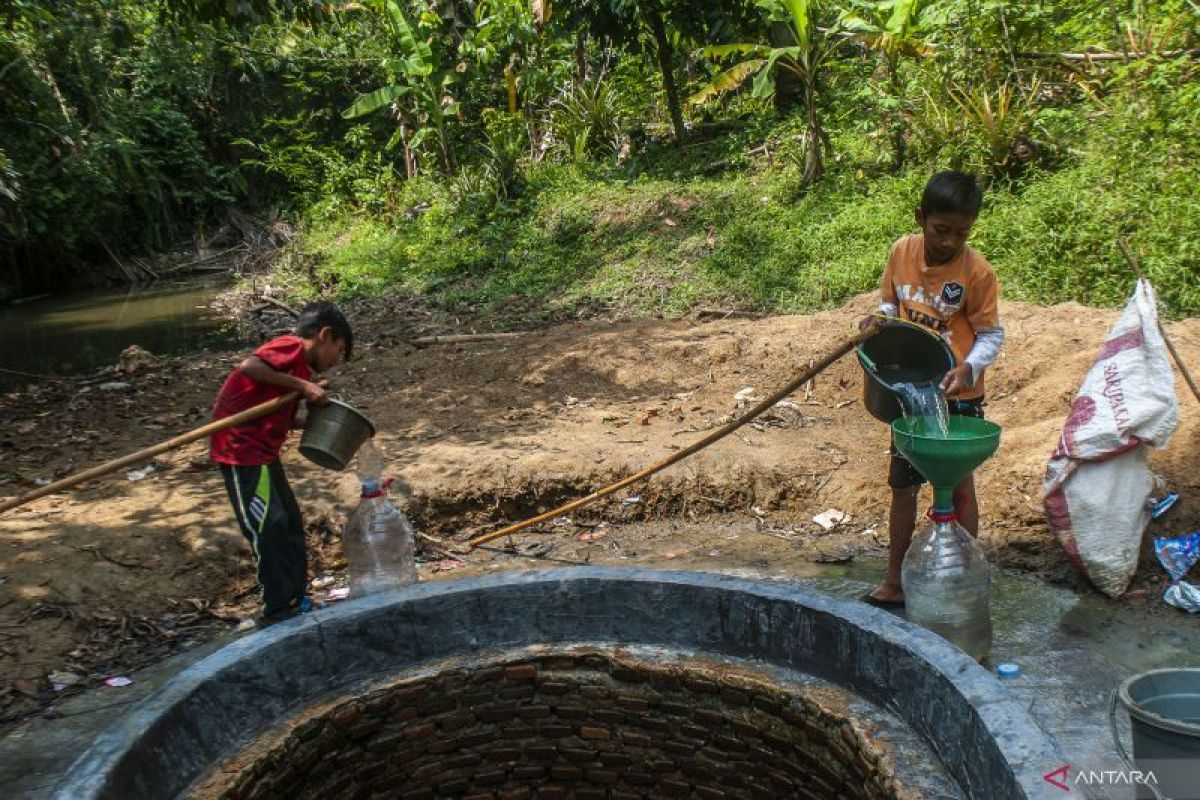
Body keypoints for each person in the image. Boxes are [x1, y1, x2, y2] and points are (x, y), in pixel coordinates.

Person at [860, 171, 1005, 607]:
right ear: (921, 218)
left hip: (957, 395)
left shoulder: (977, 273)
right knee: (903, 488)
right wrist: (877, 321)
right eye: (941, 230)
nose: (949, 241)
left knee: (959, 487)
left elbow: (991, 336)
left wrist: (968, 368)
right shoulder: (901, 253)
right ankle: (895, 581)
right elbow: (890, 306)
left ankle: (957, 584)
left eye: (962, 233)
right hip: (912, 394)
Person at [210, 302, 353, 623]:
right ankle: (277, 608)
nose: (333, 362)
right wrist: (303, 387)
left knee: (289, 522)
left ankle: (298, 597)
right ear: (324, 335)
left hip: (264, 454)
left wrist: (313, 420)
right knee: (267, 526)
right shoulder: (290, 348)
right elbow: (249, 367)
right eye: (337, 350)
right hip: (241, 453)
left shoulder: (298, 370)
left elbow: (277, 416)